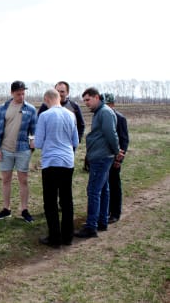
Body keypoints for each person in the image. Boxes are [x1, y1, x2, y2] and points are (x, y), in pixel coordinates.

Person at [74, 87, 122, 238]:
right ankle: (102, 221)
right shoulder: (100, 112)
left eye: (88, 100)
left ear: (96, 97)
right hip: (100, 156)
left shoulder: (105, 112)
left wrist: (116, 152)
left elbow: (111, 134)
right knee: (103, 189)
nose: (86, 103)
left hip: (101, 157)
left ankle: (91, 226)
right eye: (84, 101)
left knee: (93, 190)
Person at [35, 89, 79, 248]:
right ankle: (68, 237)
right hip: (68, 161)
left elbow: (39, 143)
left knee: (50, 201)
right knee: (67, 200)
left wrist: (33, 142)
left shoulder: (44, 116)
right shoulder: (71, 115)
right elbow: (76, 141)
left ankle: (54, 238)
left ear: (46, 99)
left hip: (51, 162)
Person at [0, 80, 37, 223]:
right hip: (6, 149)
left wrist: (32, 141)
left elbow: (34, 130)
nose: (21, 96)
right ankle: (6, 209)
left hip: (23, 150)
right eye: (18, 94)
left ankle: (24, 210)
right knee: (6, 180)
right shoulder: (3, 108)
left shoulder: (31, 109)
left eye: (23, 94)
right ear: (12, 93)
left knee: (23, 180)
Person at [103, 93, 129, 224]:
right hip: (103, 157)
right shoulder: (102, 116)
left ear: (113, 104)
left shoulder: (120, 118)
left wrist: (119, 159)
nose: (105, 106)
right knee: (104, 185)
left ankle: (115, 213)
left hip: (114, 158)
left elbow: (124, 140)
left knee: (114, 185)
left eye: (107, 104)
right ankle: (105, 211)